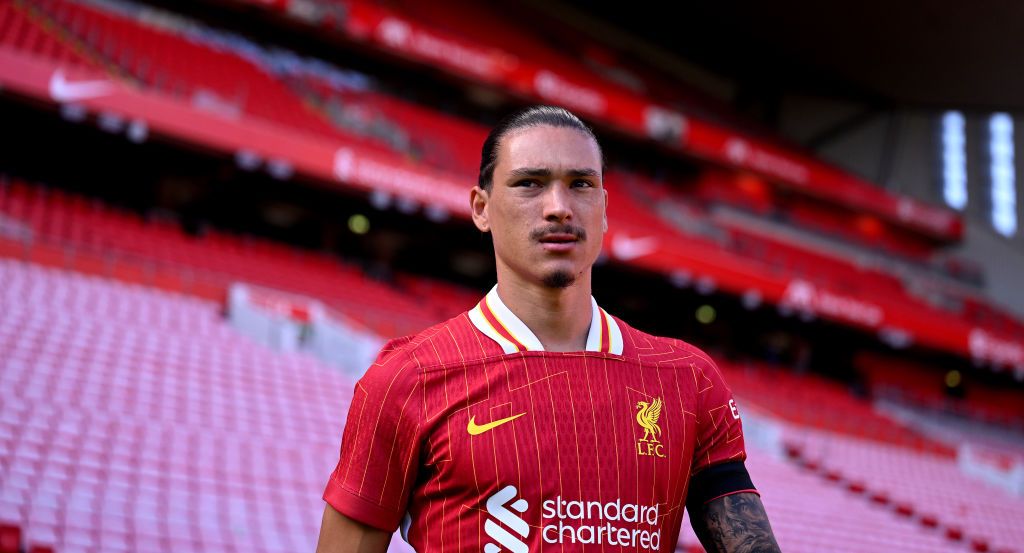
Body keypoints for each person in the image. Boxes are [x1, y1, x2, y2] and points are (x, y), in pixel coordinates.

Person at [316, 105, 781, 552]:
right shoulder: (407, 377)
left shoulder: (687, 379)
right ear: (481, 208)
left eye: (580, 184)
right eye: (529, 183)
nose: (559, 207)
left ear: (603, 209)